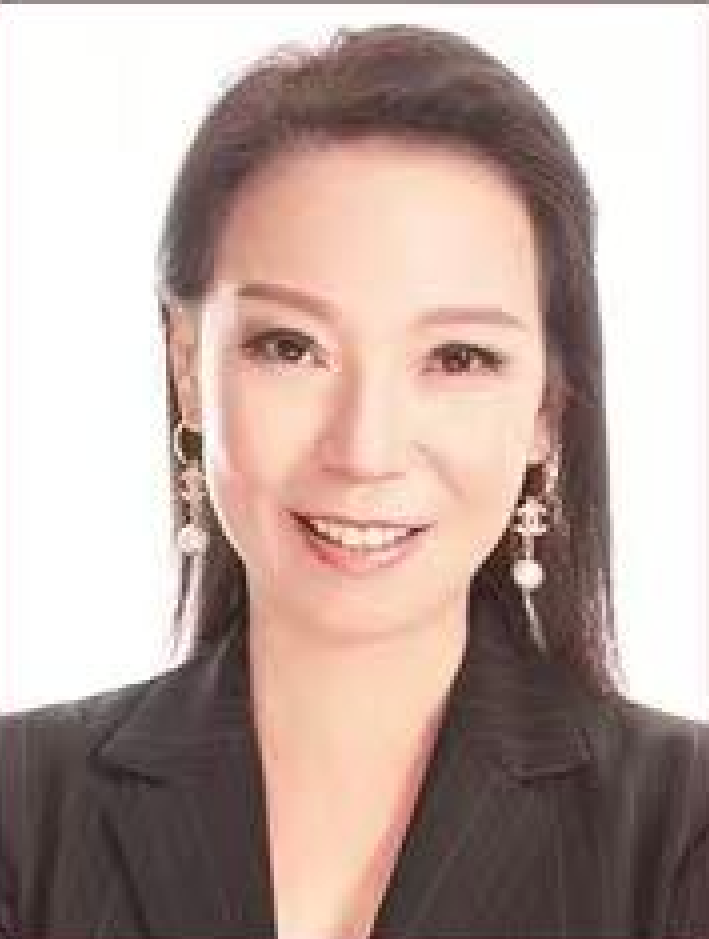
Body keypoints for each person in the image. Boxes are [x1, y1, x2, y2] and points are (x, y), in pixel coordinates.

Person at [1, 23, 707, 939]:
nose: (365, 449)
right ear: (187, 365)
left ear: (547, 404)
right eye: (290, 346)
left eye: (457, 357)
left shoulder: (680, 828)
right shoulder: (23, 813)